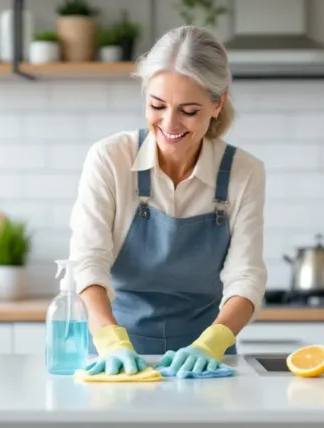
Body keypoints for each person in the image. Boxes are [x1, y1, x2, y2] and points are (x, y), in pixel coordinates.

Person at [68, 25, 267, 377]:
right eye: (157, 106)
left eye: (188, 111)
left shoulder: (243, 171)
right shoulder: (110, 158)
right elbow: (88, 260)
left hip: (204, 359)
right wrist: (111, 341)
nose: (170, 124)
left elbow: (246, 276)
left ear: (217, 104)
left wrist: (212, 344)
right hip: (118, 354)